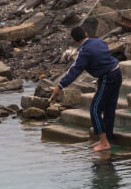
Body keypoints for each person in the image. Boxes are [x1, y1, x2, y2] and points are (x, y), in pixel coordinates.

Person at [49, 23, 122, 153]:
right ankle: (106, 138)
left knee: (95, 109)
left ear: (74, 40)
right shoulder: (98, 41)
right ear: (86, 34)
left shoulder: (84, 52)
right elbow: (103, 56)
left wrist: (60, 86)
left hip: (107, 77)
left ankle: (104, 143)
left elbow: (74, 70)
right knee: (109, 108)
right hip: (117, 72)